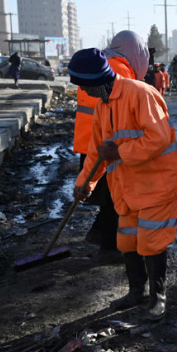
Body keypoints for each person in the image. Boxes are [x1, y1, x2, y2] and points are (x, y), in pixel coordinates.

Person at [71, 48, 177, 321]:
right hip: (128, 189)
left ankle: (158, 298)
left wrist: (120, 153)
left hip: (158, 185)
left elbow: (158, 137)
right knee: (126, 241)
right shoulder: (103, 106)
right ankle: (136, 291)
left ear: (97, 80)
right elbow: (97, 151)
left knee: (151, 242)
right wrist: (85, 184)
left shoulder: (141, 93)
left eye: (84, 85)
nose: (83, 92)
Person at [73, 30, 150, 252]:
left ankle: (100, 238)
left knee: (108, 199)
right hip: (109, 144)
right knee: (116, 200)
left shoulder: (101, 62)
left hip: (90, 140)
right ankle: (110, 247)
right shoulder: (121, 71)